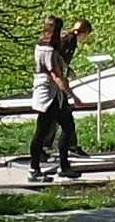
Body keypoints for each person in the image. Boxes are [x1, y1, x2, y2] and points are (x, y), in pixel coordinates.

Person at [26, 14, 86, 180]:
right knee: (42, 130)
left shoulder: (41, 45)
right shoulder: (49, 50)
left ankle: (63, 166)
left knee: (67, 127)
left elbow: (59, 65)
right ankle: (35, 169)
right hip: (49, 95)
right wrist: (73, 96)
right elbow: (56, 76)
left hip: (49, 92)